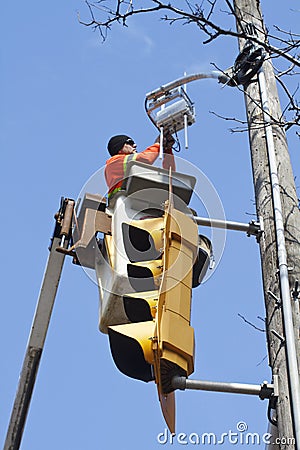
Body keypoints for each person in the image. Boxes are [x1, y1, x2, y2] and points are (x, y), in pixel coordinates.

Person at [105, 133, 176, 199]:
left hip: (136, 201)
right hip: (124, 202)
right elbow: (146, 158)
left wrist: (167, 150)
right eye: (130, 143)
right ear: (119, 148)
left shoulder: (131, 166)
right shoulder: (115, 161)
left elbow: (169, 175)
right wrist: (158, 144)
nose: (135, 145)